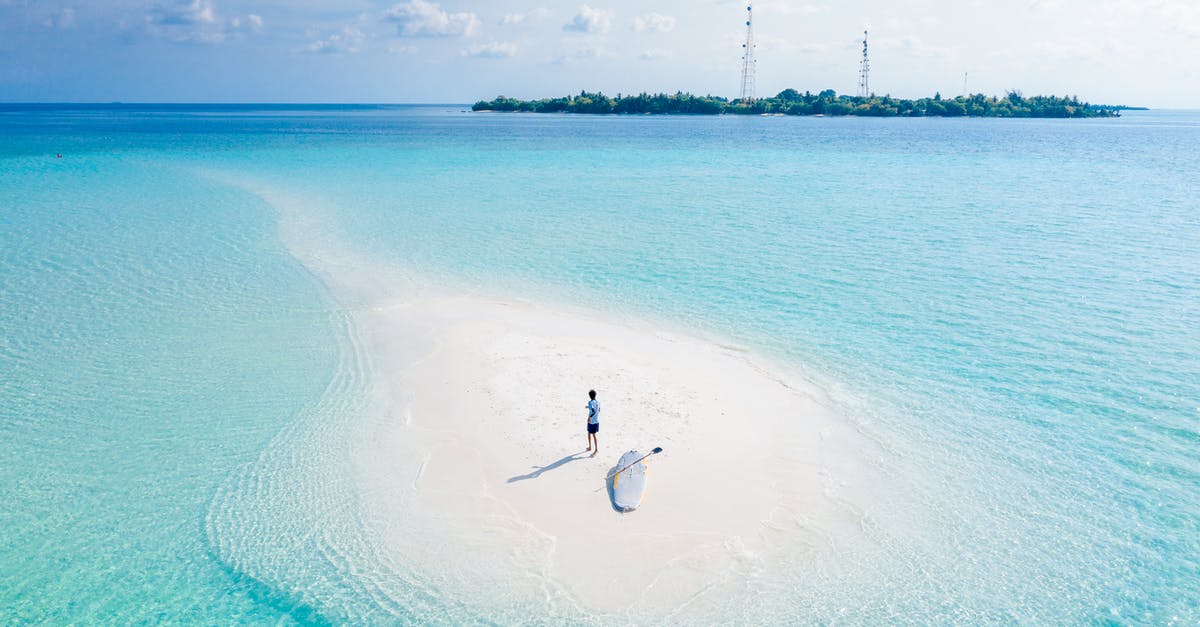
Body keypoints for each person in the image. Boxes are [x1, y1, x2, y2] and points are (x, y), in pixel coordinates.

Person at [585, 389, 600, 456]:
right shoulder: (598, 402)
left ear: (589, 396)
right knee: (593, 435)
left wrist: (589, 417)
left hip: (591, 421)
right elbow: (598, 410)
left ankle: (592, 448)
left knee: (590, 433)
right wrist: (588, 407)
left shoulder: (590, 402)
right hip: (596, 421)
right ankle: (594, 448)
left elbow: (593, 411)